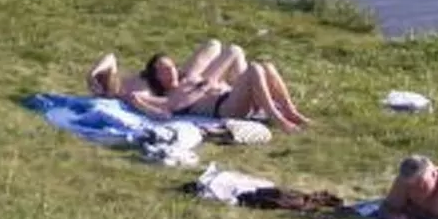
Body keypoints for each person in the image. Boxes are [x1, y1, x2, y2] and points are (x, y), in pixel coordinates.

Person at [125, 49, 310, 132]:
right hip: (225, 108)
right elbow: (134, 97)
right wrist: (141, 102)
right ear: (156, 77)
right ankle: (279, 119)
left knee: (267, 66)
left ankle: (291, 111)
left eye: (171, 66)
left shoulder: (188, 81)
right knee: (254, 68)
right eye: (163, 70)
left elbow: (232, 53)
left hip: (231, 97)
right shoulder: (167, 98)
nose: (170, 71)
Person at [87, 39, 247, 100]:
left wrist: (92, 75)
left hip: (178, 77)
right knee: (234, 51)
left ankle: (239, 86)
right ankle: (243, 90)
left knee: (214, 44)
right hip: (181, 86)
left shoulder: (119, 80)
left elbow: (110, 58)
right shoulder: (130, 93)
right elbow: (156, 102)